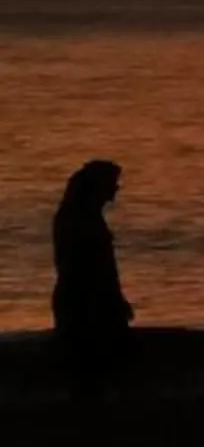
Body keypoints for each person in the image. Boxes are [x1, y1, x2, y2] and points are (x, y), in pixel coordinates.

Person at [52, 159, 135, 390]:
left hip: (86, 301)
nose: (116, 189)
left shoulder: (77, 216)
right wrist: (112, 301)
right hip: (86, 304)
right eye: (113, 183)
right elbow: (91, 269)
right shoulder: (81, 220)